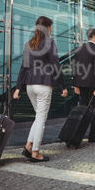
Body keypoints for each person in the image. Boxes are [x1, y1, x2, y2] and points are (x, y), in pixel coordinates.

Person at [13, 16, 68, 162]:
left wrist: (18, 88)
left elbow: (23, 67)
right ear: (47, 27)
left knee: (38, 118)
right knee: (41, 120)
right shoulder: (49, 43)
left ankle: (28, 146)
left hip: (30, 85)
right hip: (43, 84)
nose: (52, 29)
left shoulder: (28, 44)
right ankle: (36, 153)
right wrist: (63, 86)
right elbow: (55, 65)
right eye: (51, 26)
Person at [73, 28, 95, 143]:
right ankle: (93, 136)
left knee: (83, 109)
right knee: (94, 110)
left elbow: (75, 67)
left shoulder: (79, 49)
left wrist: (75, 85)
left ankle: (78, 135)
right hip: (92, 85)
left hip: (81, 84)